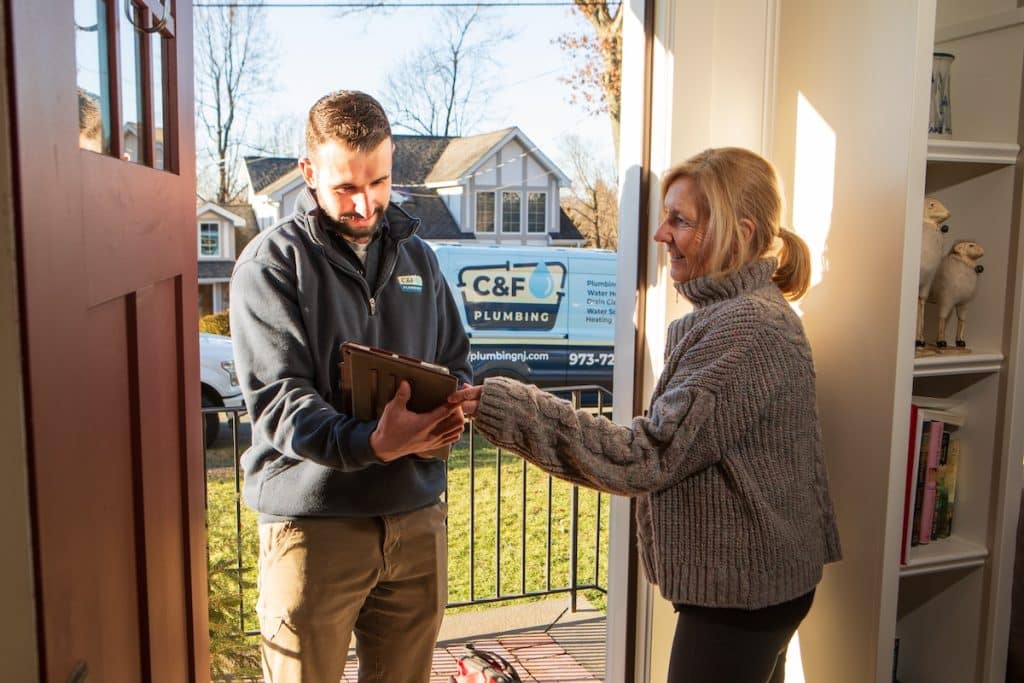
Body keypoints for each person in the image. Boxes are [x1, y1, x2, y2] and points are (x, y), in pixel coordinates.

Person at [452, 147, 842, 683]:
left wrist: (511, 406)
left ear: (740, 232)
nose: (661, 234)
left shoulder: (744, 328)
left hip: (744, 596)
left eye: (680, 220)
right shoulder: (737, 316)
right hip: (761, 586)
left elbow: (647, 456)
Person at [230, 90, 471, 682]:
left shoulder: (420, 257)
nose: (365, 204)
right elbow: (279, 404)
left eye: (379, 182)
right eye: (344, 188)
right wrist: (373, 444)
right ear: (308, 173)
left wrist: (454, 405)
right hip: (315, 529)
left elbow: (458, 359)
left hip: (416, 521)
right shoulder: (271, 266)